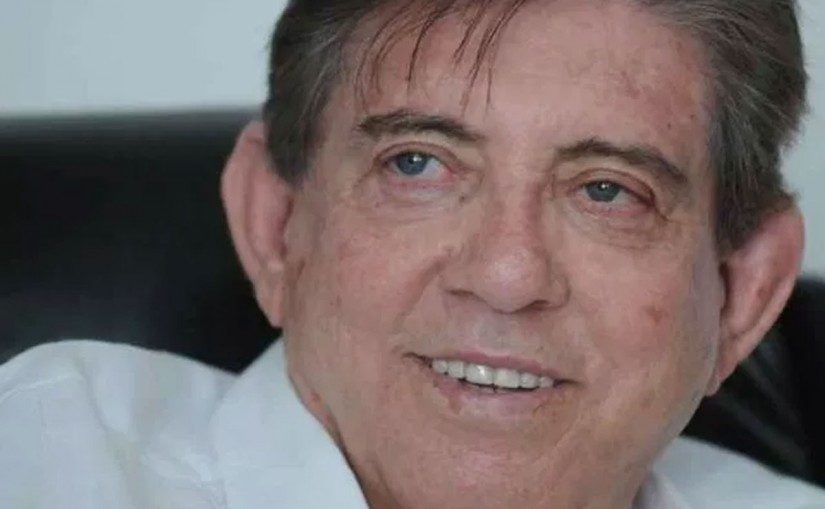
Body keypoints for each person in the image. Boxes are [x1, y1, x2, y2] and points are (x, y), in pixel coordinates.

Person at [1, 0, 824, 507]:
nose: (506, 277)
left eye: (606, 190)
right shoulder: (43, 463)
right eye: (417, 164)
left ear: (742, 292)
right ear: (274, 223)